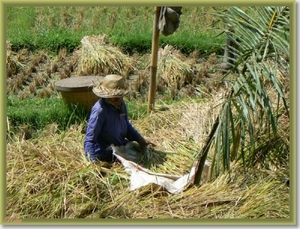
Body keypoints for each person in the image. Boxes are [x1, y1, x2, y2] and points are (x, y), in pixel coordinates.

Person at [84, 74, 156, 163]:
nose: (118, 98)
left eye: (119, 95)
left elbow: (126, 124)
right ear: (107, 94)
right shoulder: (100, 111)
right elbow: (90, 138)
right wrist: (92, 159)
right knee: (138, 163)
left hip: (120, 145)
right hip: (106, 152)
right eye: (114, 96)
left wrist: (140, 139)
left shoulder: (121, 104)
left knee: (147, 157)